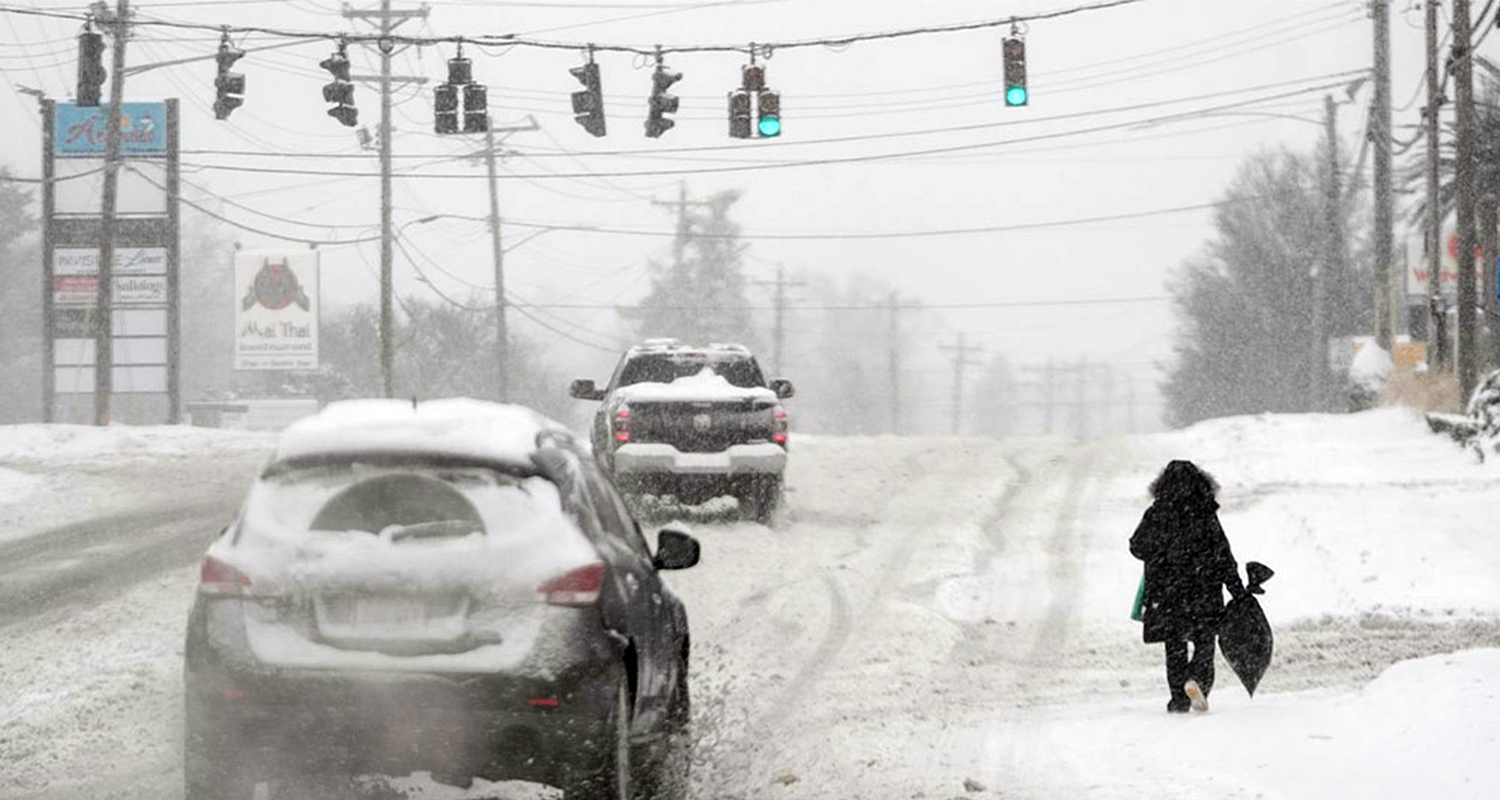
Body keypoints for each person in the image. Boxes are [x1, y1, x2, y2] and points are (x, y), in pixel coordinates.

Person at [1129, 460, 1245, 713]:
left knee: (1175, 646)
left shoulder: (1157, 513)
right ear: (1200, 483)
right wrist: (1236, 588)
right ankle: (1198, 681)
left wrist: (1160, 552)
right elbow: (1222, 553)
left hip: (1167, 592)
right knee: (1205, 642)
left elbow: (1137, 546)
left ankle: (1178, 698)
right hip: (1204, 590)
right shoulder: (1205, 513)